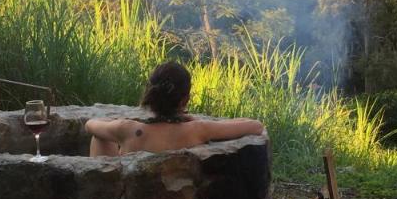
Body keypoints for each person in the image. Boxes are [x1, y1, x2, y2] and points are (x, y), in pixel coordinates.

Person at [86, 61, 265, 156]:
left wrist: (115, 123)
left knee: (99, 136)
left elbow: (89, 124)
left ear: (150, 95)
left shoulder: (128, 129)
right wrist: (200, 121)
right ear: (184, 100)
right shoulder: (197, 130)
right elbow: (256, 126)